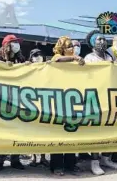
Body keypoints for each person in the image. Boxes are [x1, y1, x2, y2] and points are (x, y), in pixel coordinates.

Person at [84, 19, 117, 175]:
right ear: (93, 43)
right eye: (99, 39)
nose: (103, 40)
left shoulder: (110, 53)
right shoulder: (89, 58)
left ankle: (107, 158)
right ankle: (95, 162)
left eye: (103, 38)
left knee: (113, 129)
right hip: (97, 99)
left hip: (112, 97)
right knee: (97, 131)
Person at [49, 36, 84, 176]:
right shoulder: (57, 57)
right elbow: (57, 60)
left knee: (71, 133)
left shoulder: (77, 61)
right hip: (57, 101)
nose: (72, 49)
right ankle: (56, 166)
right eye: (69, 46)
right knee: (58, 135)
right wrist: (74, 58)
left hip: (72, 101)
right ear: (62, 48)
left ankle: (71, 164)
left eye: (72, 46)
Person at [0, 34, 25, 171]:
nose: (17, 45)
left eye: (17, 42)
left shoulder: (20, 59)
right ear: (7, 45)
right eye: (14, 43)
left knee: (17, 130)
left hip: (18, 99)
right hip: (2, 98)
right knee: (2, 130)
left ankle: (15, 160)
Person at [25, 49, 50, 168]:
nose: (38, 57)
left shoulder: (48, 68)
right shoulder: (27, 68)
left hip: (45, 103)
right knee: (33, 132)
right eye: (35, 55)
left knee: (44, 131)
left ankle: (44, 157)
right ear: (31, 58)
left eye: (40, 55)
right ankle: (34, 157)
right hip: (31, 103)